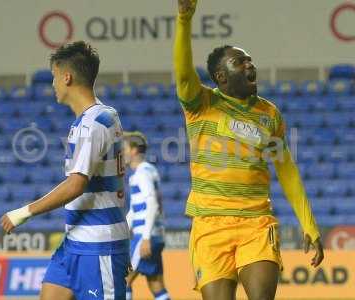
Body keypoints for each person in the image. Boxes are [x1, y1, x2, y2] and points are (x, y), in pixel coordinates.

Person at [173, 1, 324, 299]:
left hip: (256, 223)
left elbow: (287, 171)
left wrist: (309, 224)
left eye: (250, 60)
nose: (250, 65)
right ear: (221, 77)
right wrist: (184, 20)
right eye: (240, 62)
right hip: (209, 225)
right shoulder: (201, 104)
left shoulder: (269, 114)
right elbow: (183, 74)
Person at [0, 41, 130, 300]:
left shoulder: (93, 124)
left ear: (67, 77)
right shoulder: (102, 116)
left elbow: (76, 184)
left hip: (98, 244)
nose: (53, 84)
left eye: (54, 77)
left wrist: (24, 212)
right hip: (76, 241)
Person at [123, 131, 170, 300]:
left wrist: (145, 237)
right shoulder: (150, 170)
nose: (122, 153)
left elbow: (152, 203)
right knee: (156, 284)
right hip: (156, 235)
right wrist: (123, 231)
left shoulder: (141, 173)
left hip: (146, 236)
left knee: (122, 280)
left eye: (124, 148)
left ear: (134, 150)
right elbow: (136, 209)